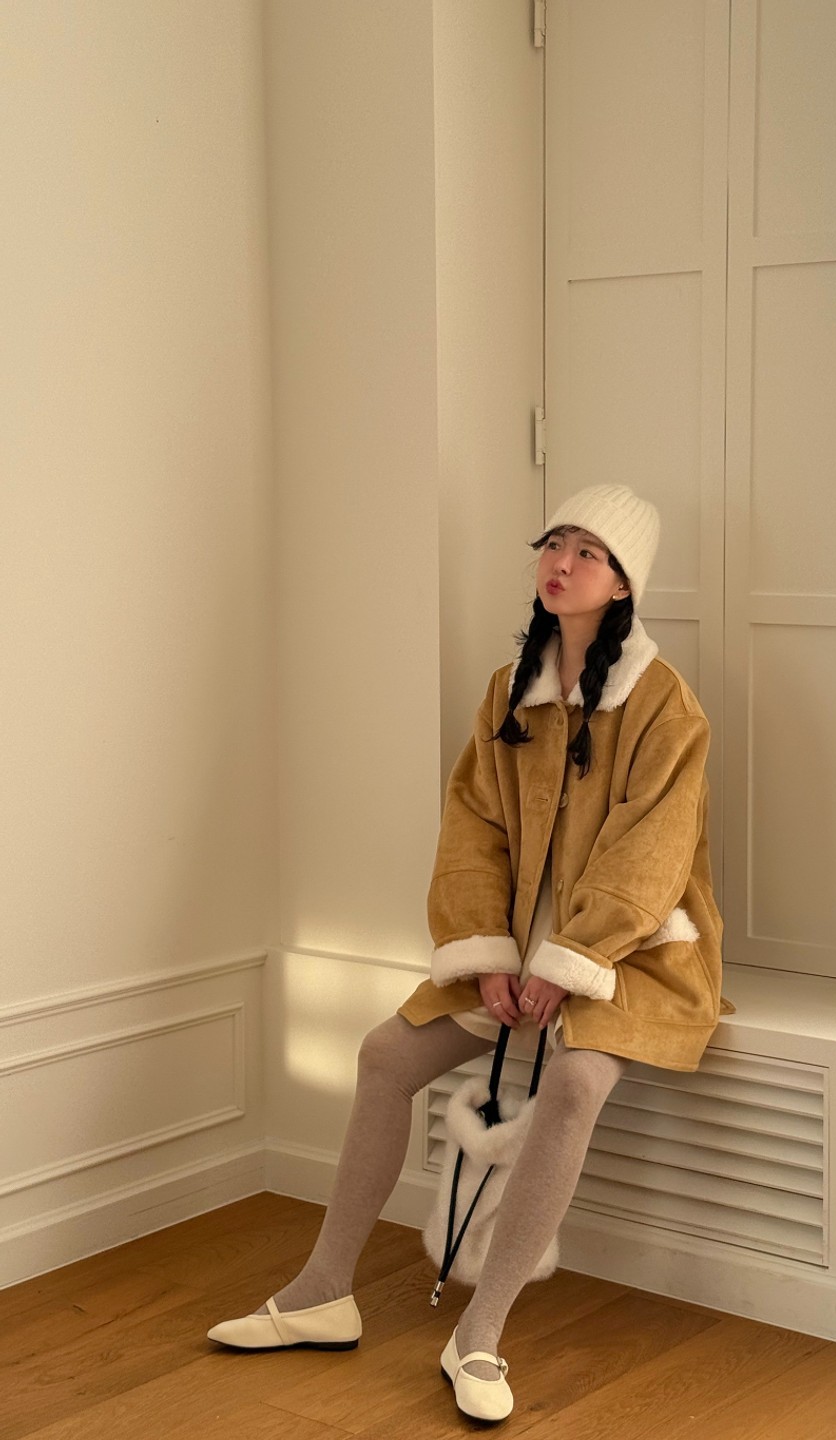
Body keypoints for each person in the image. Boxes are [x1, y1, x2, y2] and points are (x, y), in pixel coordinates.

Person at [207, 484, 730, 1423]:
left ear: (622, 585)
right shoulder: (508, 690)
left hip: (631, 952)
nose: (561, 563)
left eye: (589, 553)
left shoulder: (666, 705)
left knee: (575, 1082)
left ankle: (479, 1335)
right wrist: (487, 955)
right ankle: (323, 1290)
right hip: (515, 952)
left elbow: (649, 860)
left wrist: (565, 962)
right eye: (554, 543)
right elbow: (473, 831)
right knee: (384, 1054)